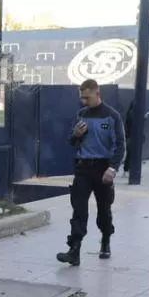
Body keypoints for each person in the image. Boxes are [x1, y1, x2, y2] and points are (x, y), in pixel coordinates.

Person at [56, 78, 125, 266]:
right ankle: (74, 250)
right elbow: (71, 141)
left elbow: (120, 145)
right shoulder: (80, 115)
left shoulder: (112, 116)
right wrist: (76, 135)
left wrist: (112, 168)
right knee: (78, 208)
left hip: (103, 168)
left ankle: (105, 239)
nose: (83, 102)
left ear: (97, 93)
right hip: (84, 167)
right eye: (81, 98)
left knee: (104, 209)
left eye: (87, 98)